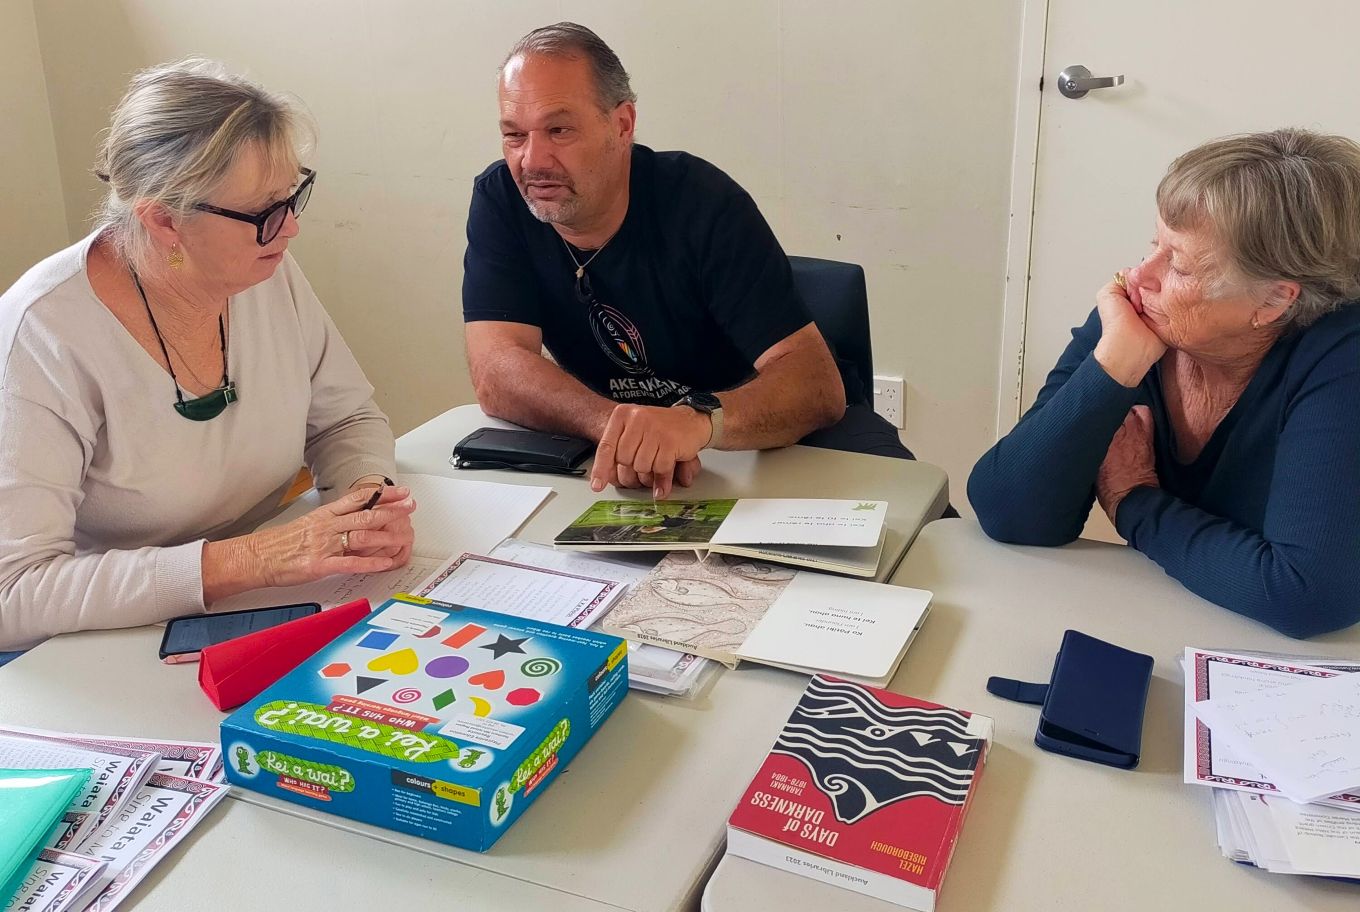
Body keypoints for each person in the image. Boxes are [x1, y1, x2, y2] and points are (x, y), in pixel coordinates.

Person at [0, 59, 416, 654]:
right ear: (164, 220)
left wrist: (365, 502)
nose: (291, 229)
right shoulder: (41, 335)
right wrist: (252, 559)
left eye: (293, 196)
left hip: (259, 600)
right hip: (100, 640)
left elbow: (346, 418)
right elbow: (13, 594)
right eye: (265, 213)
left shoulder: (262, 267)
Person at [463, 22, 918, 501]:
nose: (533, 160)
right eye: (514, 135)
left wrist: (696, 422)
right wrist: (621, 429)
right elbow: (496, 369)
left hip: (769, 436)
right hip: (645, 457)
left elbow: (817, 387)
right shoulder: (502, 200)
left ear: (622, 124)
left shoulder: (702, 203)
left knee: (912, 530)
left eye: (559, 130)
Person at [968, 128, 1360, 638]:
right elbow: (1009, 512)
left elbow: (1307, 596)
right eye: (1155, 245)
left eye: (1177, 264)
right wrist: (1112, 367)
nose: (1137, 275)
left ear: (1273, 302)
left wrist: (1134, 500)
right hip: (1184, 619)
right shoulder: (1141, 318)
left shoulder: (1342, 360)